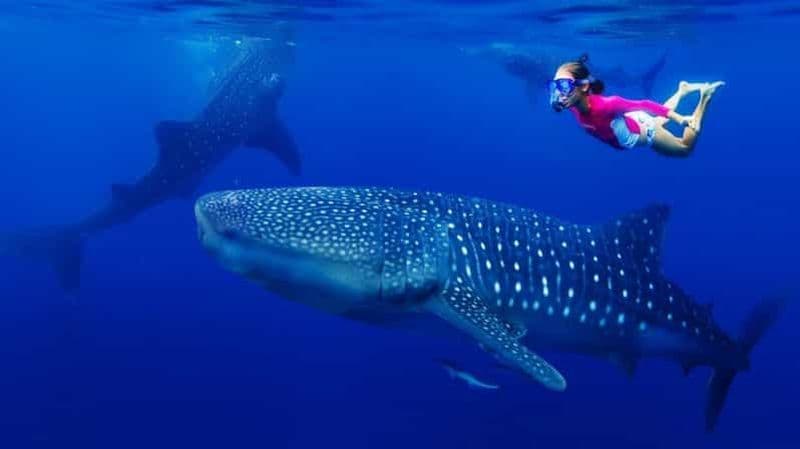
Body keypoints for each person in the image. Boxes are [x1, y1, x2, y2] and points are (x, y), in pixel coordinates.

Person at [549, 54, 723, 157]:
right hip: (630, 122)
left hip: (645, 132)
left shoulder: (607, 105)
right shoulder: (572, 104)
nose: (559, 93)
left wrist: (680, 120)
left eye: (563, 86)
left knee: (684, 148)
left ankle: (705, 98)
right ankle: (682, 90)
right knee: (656, 121)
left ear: (584, 86)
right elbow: (562, 103)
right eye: (555, 86)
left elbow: (645, 104)